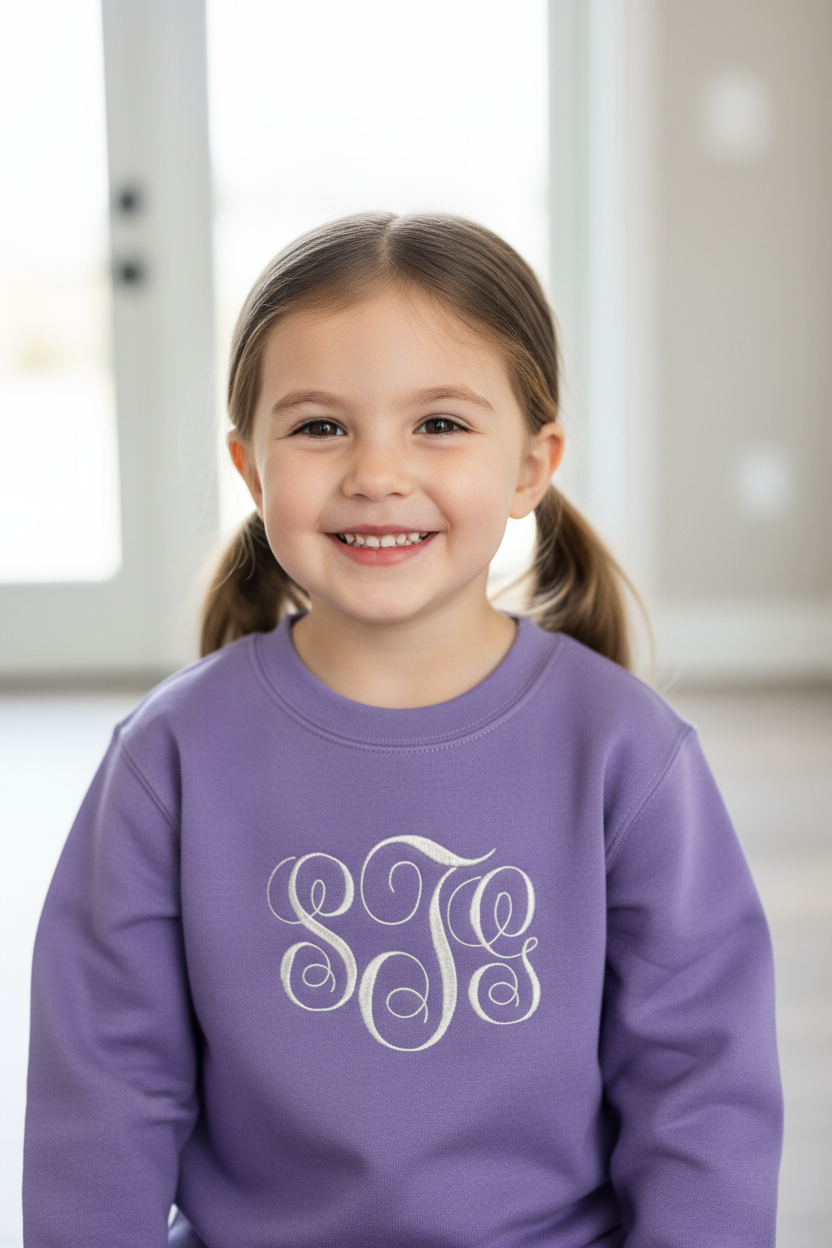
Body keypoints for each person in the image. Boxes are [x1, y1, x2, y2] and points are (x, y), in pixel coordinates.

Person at [23, 212, 782, 1248]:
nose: (376, 472)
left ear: (530, 465)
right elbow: (103, 1097)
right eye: (321, 426)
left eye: (438, 424)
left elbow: (702, 1094)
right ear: (250, 471)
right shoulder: (169, 760)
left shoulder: (625, 754)